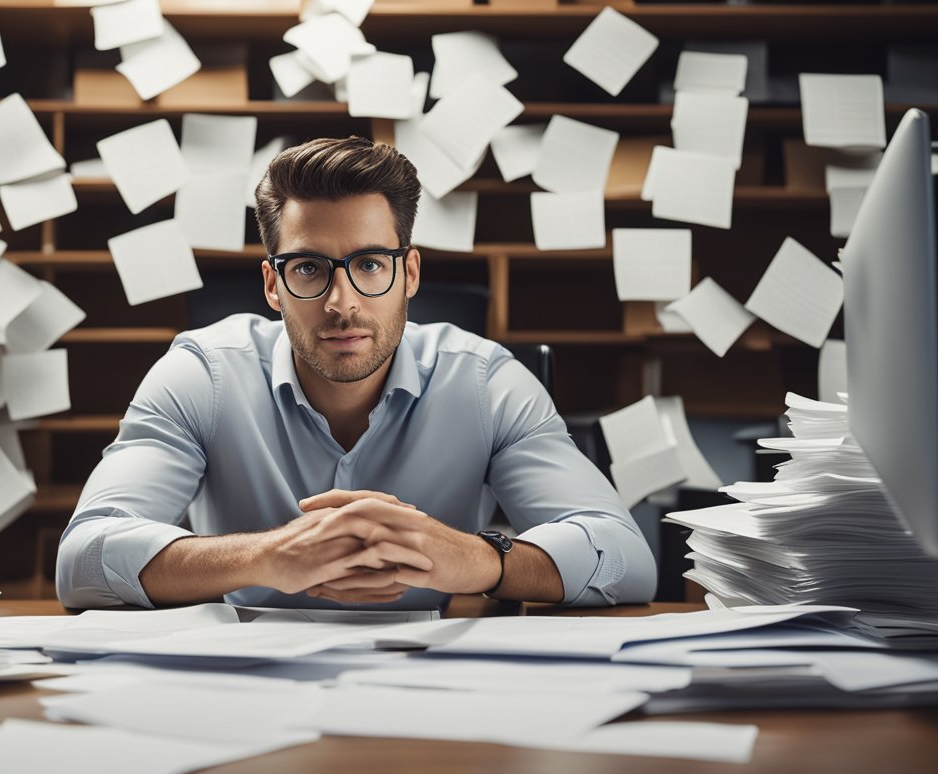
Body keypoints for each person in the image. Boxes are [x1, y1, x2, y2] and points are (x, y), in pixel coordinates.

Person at [56, 136, 656, 611]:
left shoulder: (487, 383)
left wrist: (482, 561)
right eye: (310, 268)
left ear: (410, 273)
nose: (343, 302)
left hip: (431, 686)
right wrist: (268, 556)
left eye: (370, 263)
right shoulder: (199, 375)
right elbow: (81, 560)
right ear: (273, 284)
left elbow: (627, 556)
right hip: (243, 677)